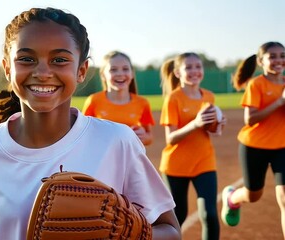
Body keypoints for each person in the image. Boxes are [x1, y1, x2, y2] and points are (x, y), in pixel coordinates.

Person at [0, 7, 181, 240]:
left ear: (81, 71)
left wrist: (129, 235)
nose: (43, 72)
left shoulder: (117, 141)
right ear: (7, 68)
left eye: (59, 60)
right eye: (26, 59)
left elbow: (170, 231)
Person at [159, 52, 226, 240]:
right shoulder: (173, 99)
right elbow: (170, 138)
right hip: (176, 166)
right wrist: (195, 124)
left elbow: (210, 131)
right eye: (188, 67)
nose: (195, 71)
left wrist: (217, 126)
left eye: (198, 66)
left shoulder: (209, 96)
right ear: (178, 73)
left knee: (209, 214)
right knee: (178, 217)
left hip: (204, 161)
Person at [221, 41, 285, 237]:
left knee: (284, 197)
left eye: (282, 56)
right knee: (253, 195)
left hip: (282, 146)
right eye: (272, 56)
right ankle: (232, 198)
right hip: (254, 146)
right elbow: (250, 118)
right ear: (261, 61)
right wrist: (280, 101)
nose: (278, 60)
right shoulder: (256, 85)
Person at [82, 50, 155, 145]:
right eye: (113, 69)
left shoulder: (142, 103)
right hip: (102, 158)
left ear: (132, 73)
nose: (120, 73)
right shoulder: (93, 101)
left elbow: (149, 138)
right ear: (103, 75)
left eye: (125, 69)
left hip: (129, 158)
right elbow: (83, 135)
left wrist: (143, 137)